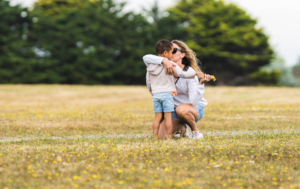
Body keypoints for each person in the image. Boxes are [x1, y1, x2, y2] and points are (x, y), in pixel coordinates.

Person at [143, 40, 213, 139]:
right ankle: (182, 128)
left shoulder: (189, 72)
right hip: (173, 109)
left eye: (174, 50)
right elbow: (146, 57)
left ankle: (195, 131)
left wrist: (200, 83)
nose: (171, 52)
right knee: (161, 136)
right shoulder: (162, 68)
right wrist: (164, 61)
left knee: (181, 110)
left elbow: (193, 101)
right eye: (169, 50)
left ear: (182, 55)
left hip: (193, 108)